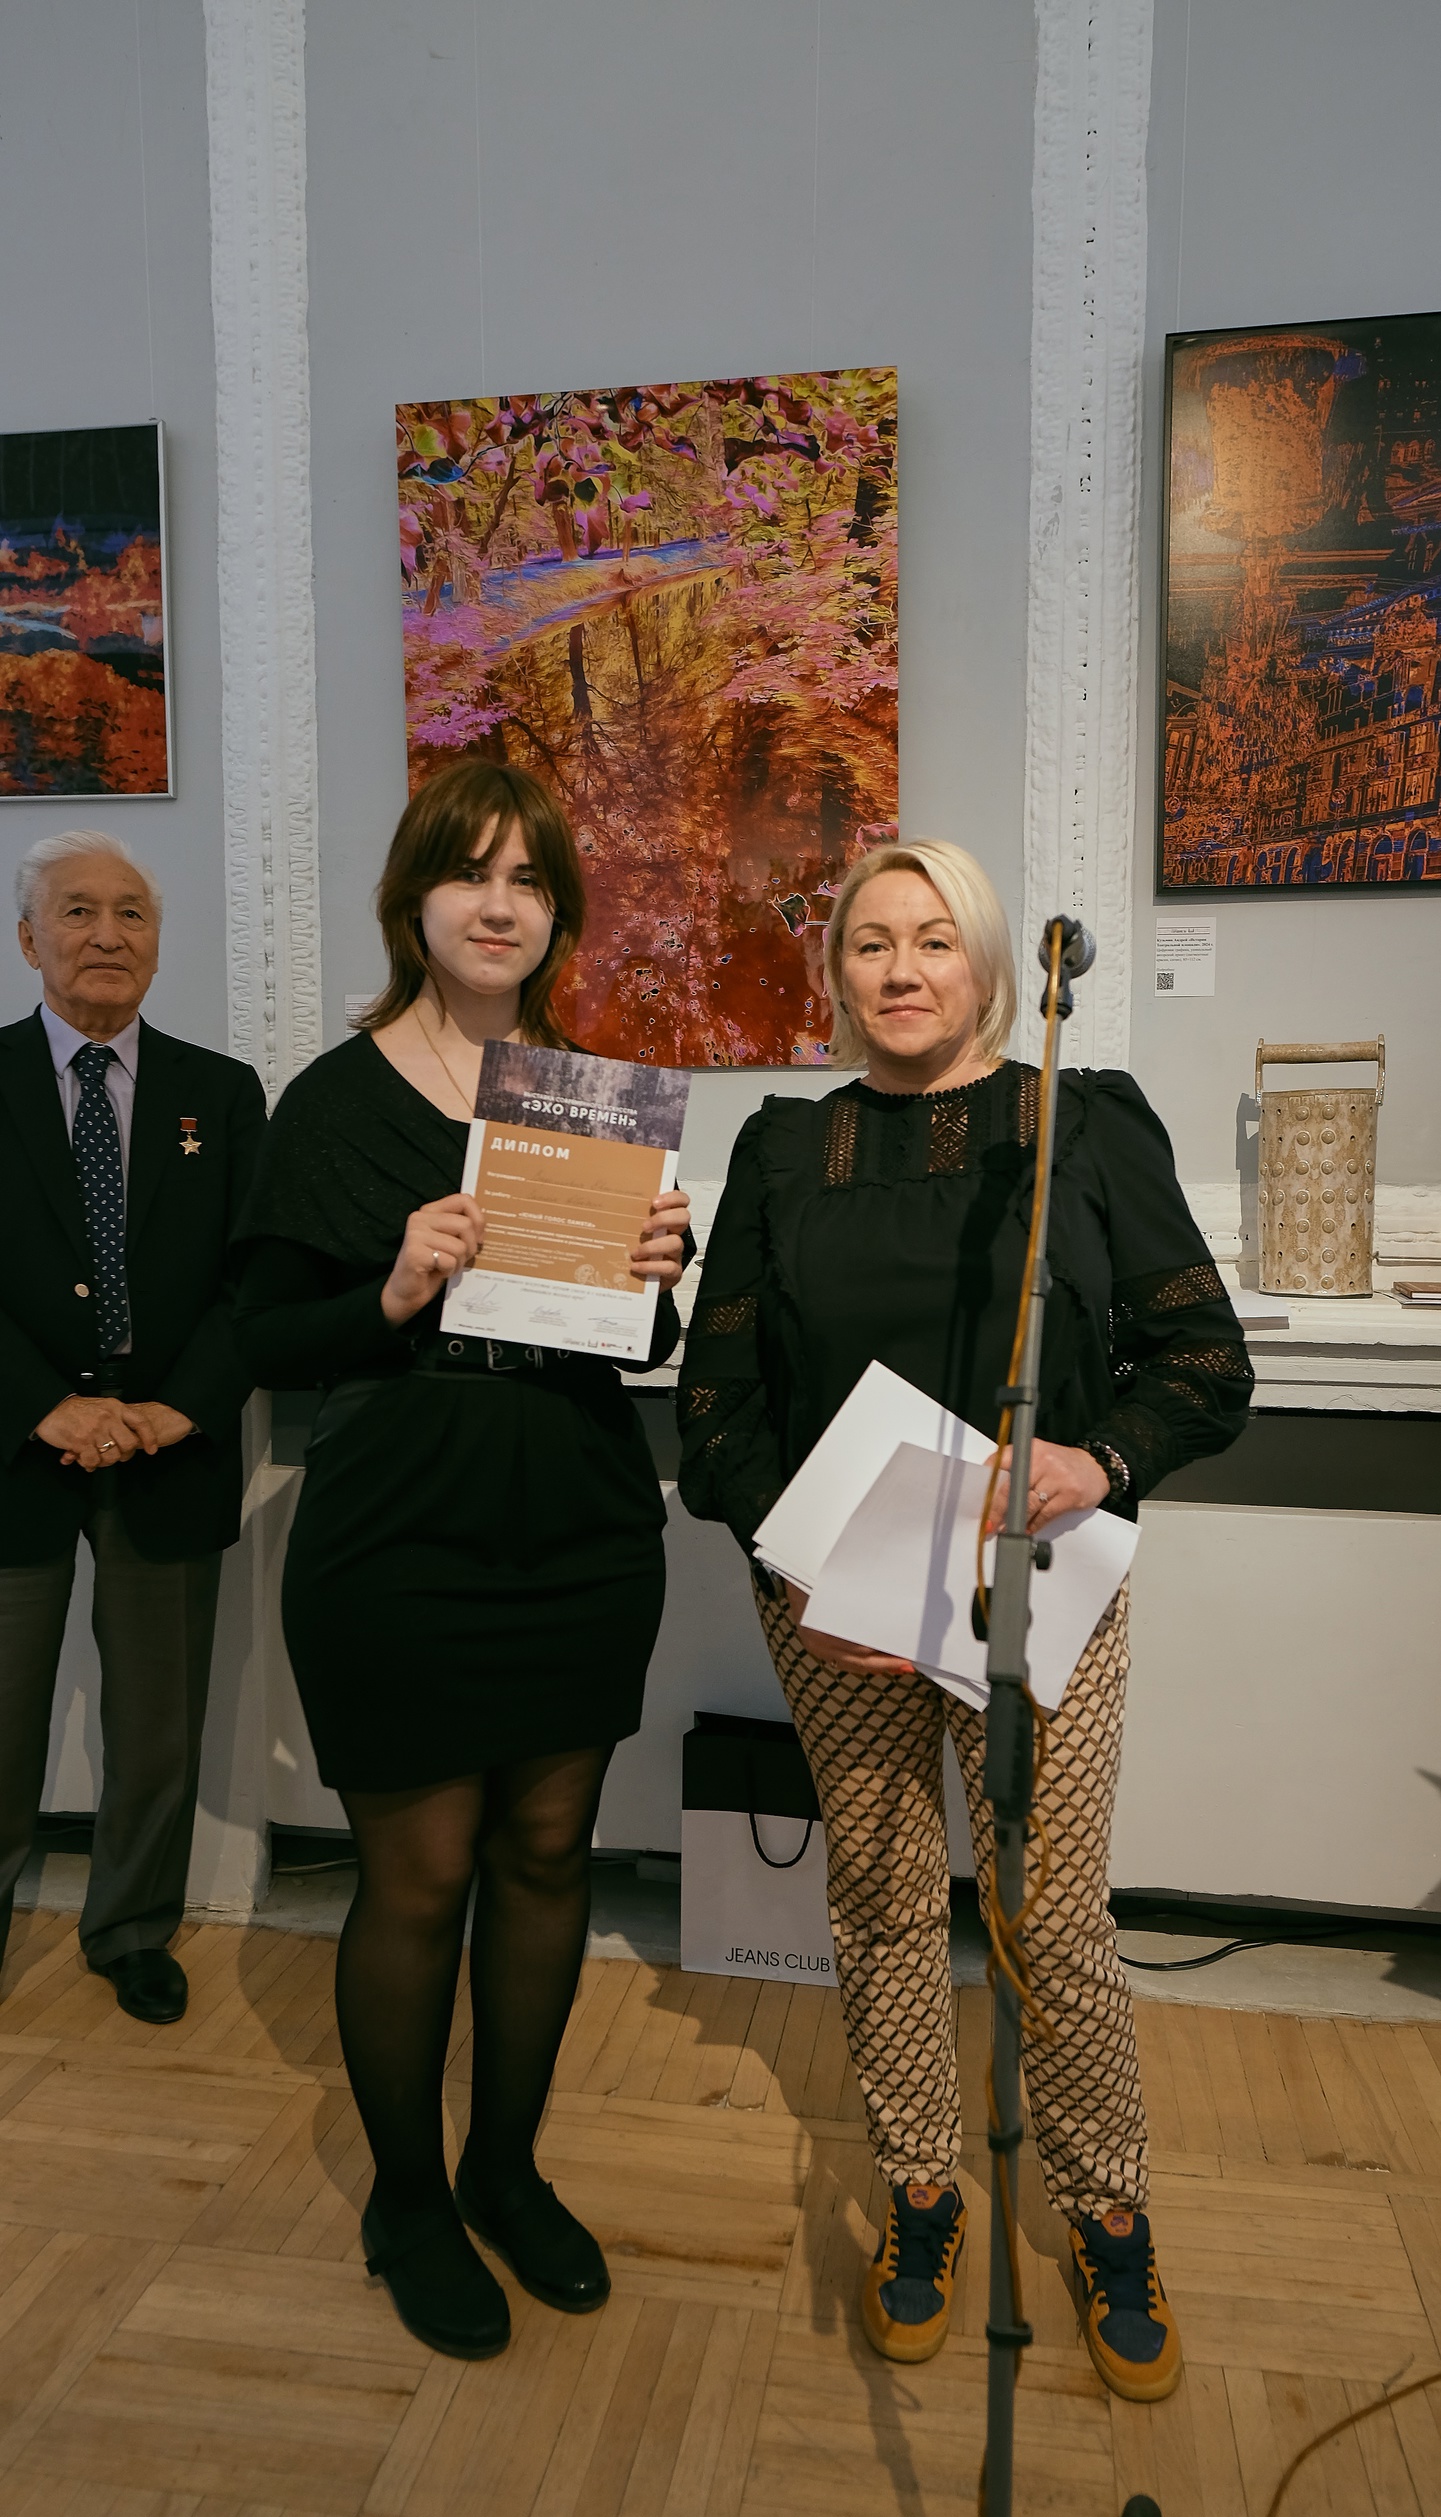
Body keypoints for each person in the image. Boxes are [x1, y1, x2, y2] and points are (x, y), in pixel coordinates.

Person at [676, 840, 1252, 2402]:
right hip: (834, 1604)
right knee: (877, 1901)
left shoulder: (1080, 1122)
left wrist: (1095, 1461)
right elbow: (717, 1402)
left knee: (1047, 1920)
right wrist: (799, 1569)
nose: (901, 968)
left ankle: (1107, 2211)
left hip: (1035, 1581)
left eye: (934, 938)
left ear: (991, 964)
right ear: (834, 974)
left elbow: (1204, 1364)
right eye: (869, 942)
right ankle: (922, 2193)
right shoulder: (781, 1150)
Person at [234, 761, 690, 2363]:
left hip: (575, 1523)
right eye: (470, 873)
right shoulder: (330, 1102)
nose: (500, 904)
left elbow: (633, 1346)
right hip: (398, 1536)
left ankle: (506, 2166)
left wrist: (656, 1275)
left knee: (550, 1857)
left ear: (556, 913)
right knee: (419, 1877)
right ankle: (409, 2200)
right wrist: (389, 1287)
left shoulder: (587, 1098)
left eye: (530, 879)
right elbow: (260, 1341)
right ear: (412, 900)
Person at [0, 831, 267, 2021]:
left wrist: (175, 1407)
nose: (106, 934)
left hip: (169, 1451)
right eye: (76, 911)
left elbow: (253, 1278)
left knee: (156, 1723)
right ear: (29, 939)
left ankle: (132, 1927)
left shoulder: (223, 1092)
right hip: (14, 1445)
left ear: (158, 943)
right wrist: (43, 1404)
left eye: (132, 913)